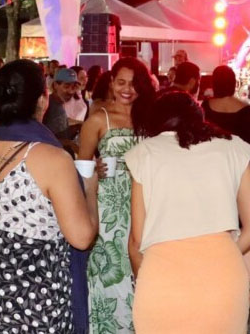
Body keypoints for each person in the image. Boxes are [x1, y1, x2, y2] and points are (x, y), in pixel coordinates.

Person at [0, 59, 99, 333]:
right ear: (42, 101)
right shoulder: (53, 159)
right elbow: (81, 238)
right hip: (36, 306)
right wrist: (90, 190)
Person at [125, 91, 250, 333]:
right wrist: (221, 253)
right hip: (223, 275)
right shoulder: (234, 147)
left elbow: (137, 242)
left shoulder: (145, 152)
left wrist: (144, 277)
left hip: (162, 276)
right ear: (199, 115)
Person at [79, 57, 156, 333]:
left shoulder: (150, 117)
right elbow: (82, 168)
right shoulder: (98, 119)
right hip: (110, 207)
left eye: (134, 84)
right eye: (121, 82)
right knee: (111, 266)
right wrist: (95, 170)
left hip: (146, 203)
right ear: (111, 83)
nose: (127, 89)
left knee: (144, 263)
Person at [202, 65, 250, 162]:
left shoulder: (206, 105)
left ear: (214, 84)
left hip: (211, 159)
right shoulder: (246, 109)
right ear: (234, 83)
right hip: (237, 160)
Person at [43, 68, 81, 143]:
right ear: (55, 85)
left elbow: (60, 129)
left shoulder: (58, 103)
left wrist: (79, 126)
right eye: (66, 87)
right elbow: (54, 139)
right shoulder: (48, 105)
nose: (70, 91)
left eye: (73, 87)